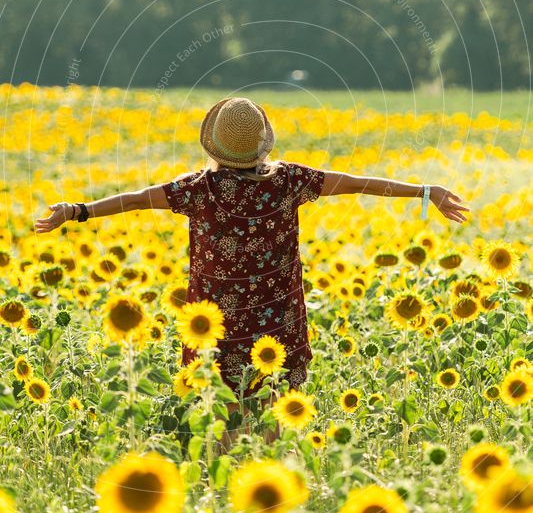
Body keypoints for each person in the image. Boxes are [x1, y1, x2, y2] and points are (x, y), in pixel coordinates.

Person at [35, 96, 470, 400]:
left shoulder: (197, 188)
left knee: (219, 404)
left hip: (215, 320)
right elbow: (359, 183)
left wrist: (76, 210)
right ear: (262, 141)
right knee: (273, 399)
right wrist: (423, 190)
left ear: (215, 144)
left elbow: (132, 200)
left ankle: (225, 483)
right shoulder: (290, 181)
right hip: (275, 314)